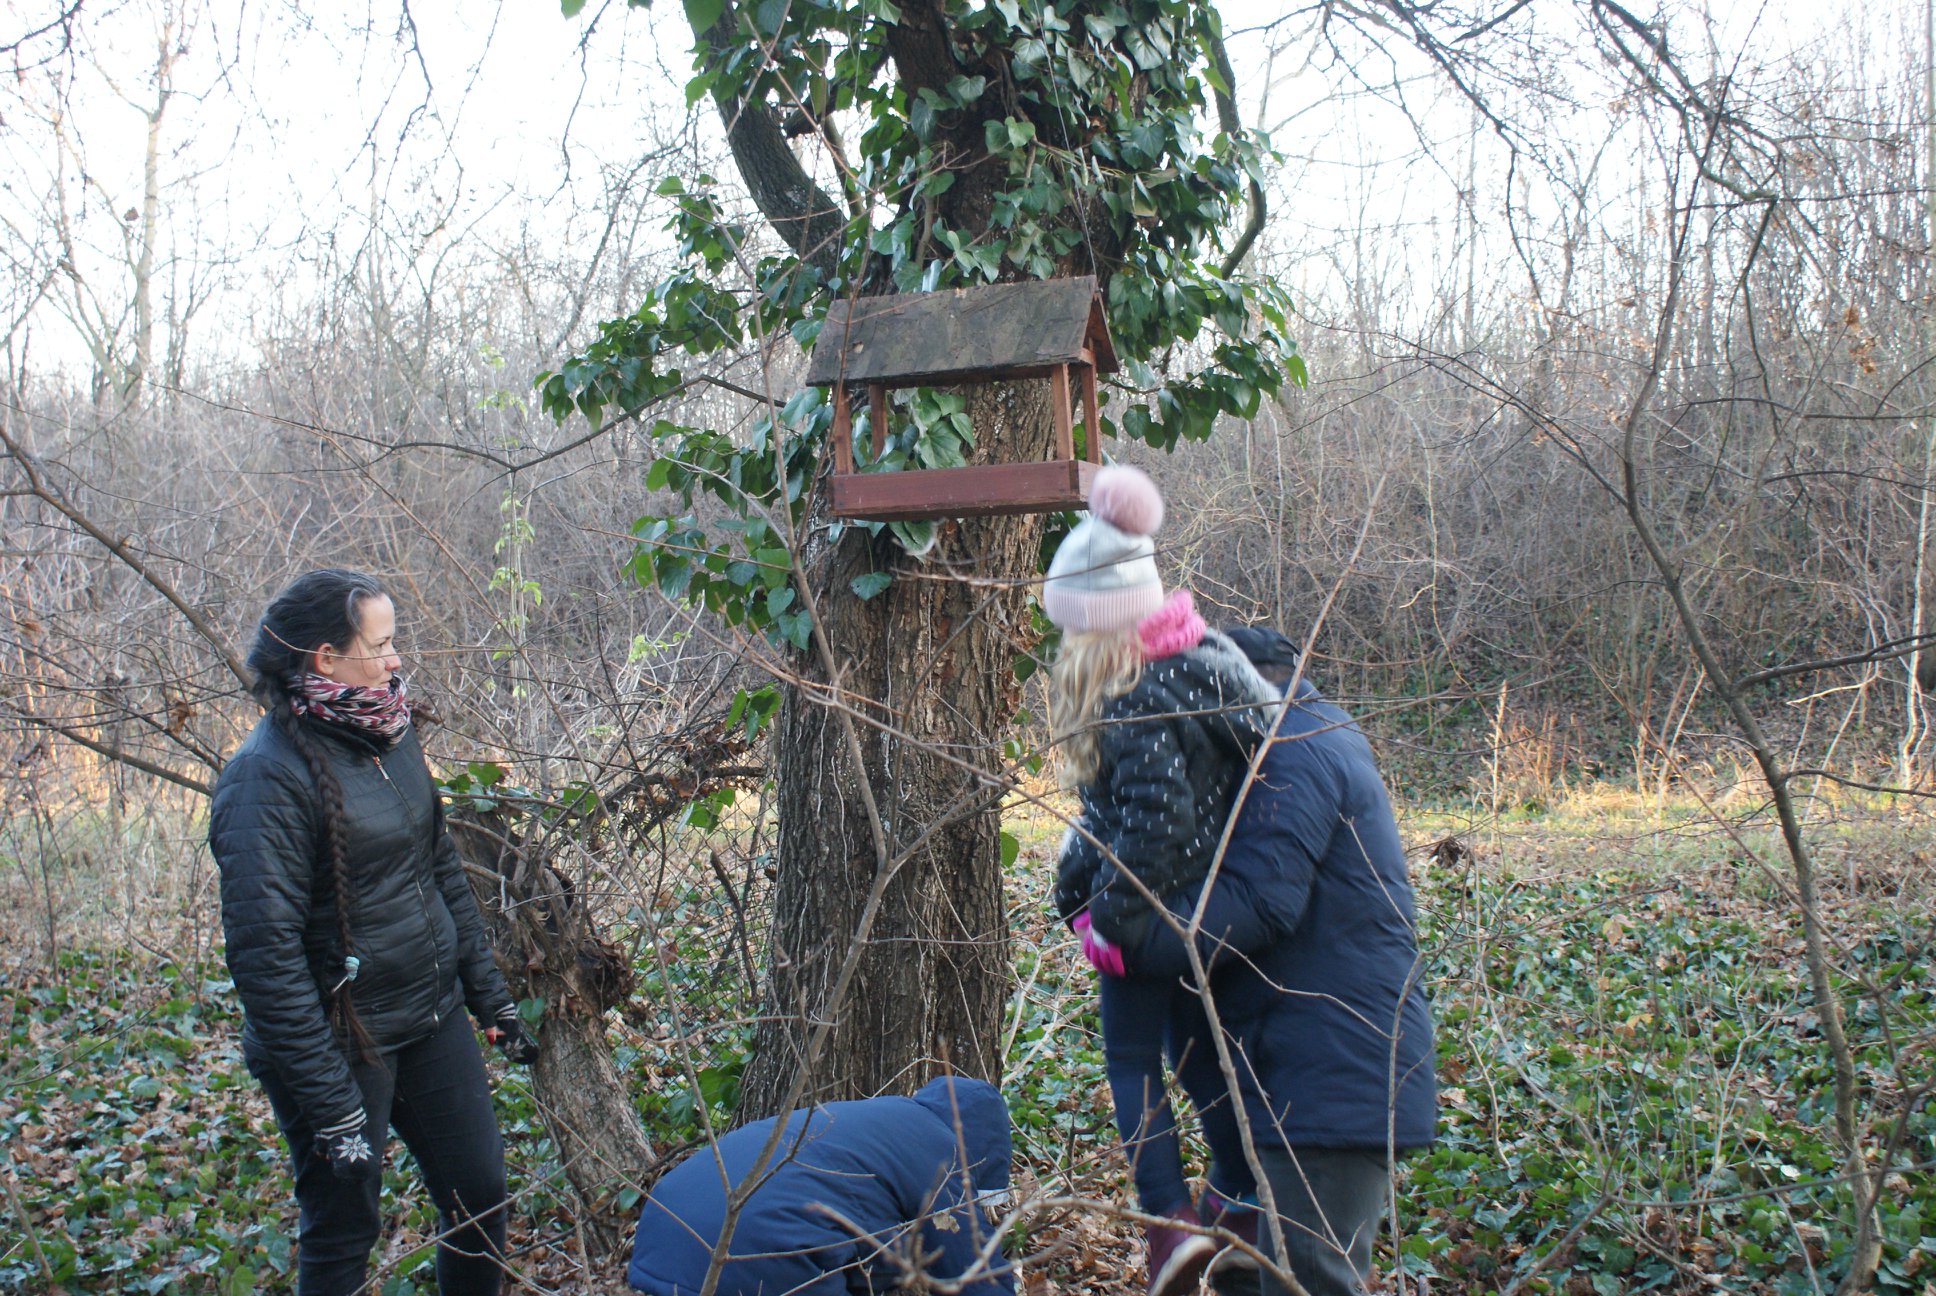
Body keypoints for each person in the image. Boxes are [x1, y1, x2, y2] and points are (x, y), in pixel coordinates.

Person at [210, 568, 538, 1296]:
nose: (395, 660)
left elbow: (438, 868)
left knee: (480, 1198)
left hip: (429, 1015)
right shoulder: (263, 778)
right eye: (380, 644)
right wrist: (332, 1109)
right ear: (325, 657)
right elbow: (265, 959)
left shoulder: (389, 729)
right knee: (342, 1233)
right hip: (338, 1041)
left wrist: (489, 995)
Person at [1124, 625, 1438, 1296]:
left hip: (1331, 1077)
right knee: (1244, 1270)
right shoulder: (1299, 741)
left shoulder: (1294, 747)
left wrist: (1133, 935)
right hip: (1298, 1072)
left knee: (1310, 1280)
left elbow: (1261, 900)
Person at [1041, 465, 1285, 1296]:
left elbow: (1156, 820)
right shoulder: (1205, 660)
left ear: (1099, 621)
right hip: (1210, 909)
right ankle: (1241, 1203)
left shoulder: (1132, 692)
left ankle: (1168, 1223)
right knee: (1197, 1057)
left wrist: (1108, 920)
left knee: (1131, 1061)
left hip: (1152, 914)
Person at [626, 1075, 1015, 1296]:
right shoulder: (939, 1150)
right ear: (984, 1147)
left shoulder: (873, 1120)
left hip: (660, 1245)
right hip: (755, 1262)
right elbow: (972, 1273)